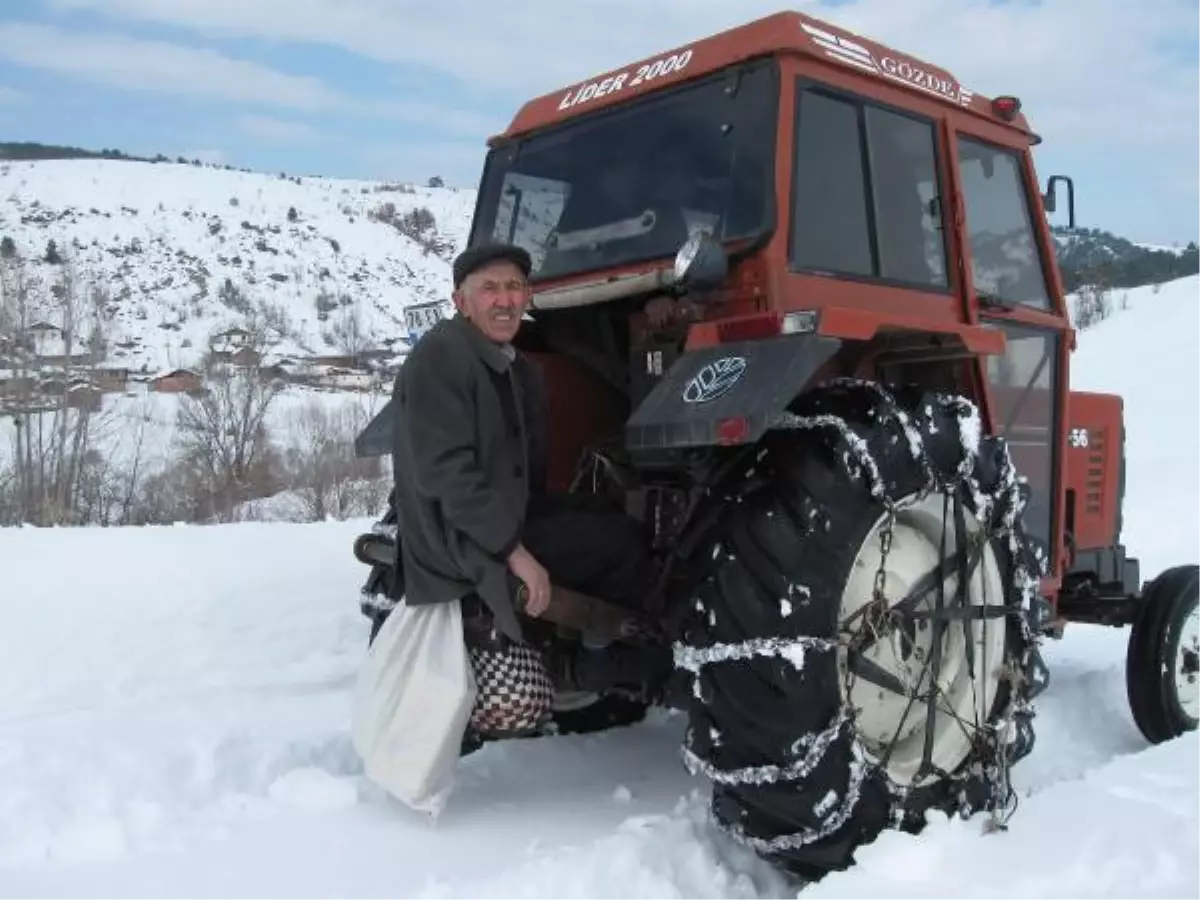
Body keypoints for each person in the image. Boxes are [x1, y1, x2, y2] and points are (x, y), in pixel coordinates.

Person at [389, 242, 665, 742]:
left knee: (610, 522)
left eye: (514, 287)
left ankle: (602, 658)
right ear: (461, 301)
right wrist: (515, 554)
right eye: (489, 288)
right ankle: (613, 667)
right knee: (620, 547)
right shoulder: (441, 358)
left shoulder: (506, 362)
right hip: (460, 543)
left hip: (492, 524)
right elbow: (448, 474)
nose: (504, 300)